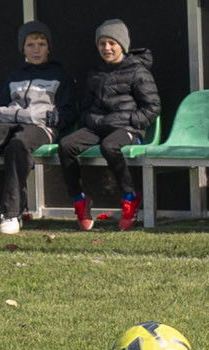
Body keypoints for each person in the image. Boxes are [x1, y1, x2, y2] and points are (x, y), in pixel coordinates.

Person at [0, 20, 70, 235]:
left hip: (40, 127)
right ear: (23, 49)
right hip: (9, 123)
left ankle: (12, 213)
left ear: (49, 48)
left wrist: (52, 118)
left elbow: (68, 111)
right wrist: (8, 115)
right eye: (30, 45)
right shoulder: (15, 75)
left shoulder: (60, 75)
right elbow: (1, 105)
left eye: (41, 44)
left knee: (17, 146)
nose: (36, 49)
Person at [57, 18, 160, 231]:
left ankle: (130, 197)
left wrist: (132, 122)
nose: (107, 48)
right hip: (97, 127)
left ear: (122, 45)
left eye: (112, 43)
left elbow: (152, 106)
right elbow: (85, 105)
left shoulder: (138, 71)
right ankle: (79, 199)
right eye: (102, 43)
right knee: (66, 145)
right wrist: (91, 120)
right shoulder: (96, 72)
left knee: (109, 146)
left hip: (126, 129)